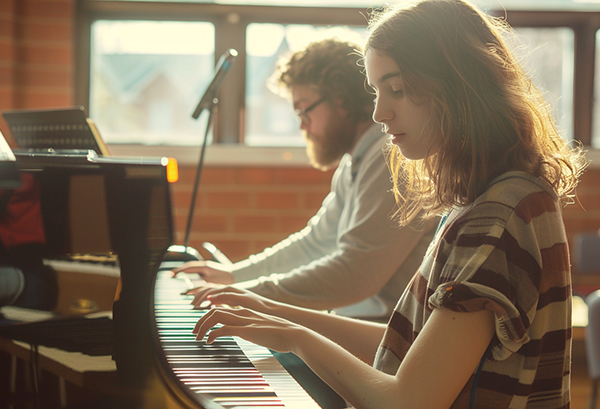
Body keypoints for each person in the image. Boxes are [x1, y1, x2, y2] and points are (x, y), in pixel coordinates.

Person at [189, 1, 588, 408]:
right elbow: (412, 345)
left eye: (396, 89)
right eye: (377, 91)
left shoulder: (497, 218)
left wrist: (294, 337)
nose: (380, 112)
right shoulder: (493, 199)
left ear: (459, 84)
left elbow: (406, 403)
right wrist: (272, 312)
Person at [172, 38, 437, 321]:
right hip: (353, 328)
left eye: (304, 109)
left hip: (381, 346)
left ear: (341, 99)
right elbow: (315, 243)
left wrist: (247, 293)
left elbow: (355, 274)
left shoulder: (390, 156)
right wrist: (233, 275)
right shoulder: (356, 160)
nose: (301, 124)